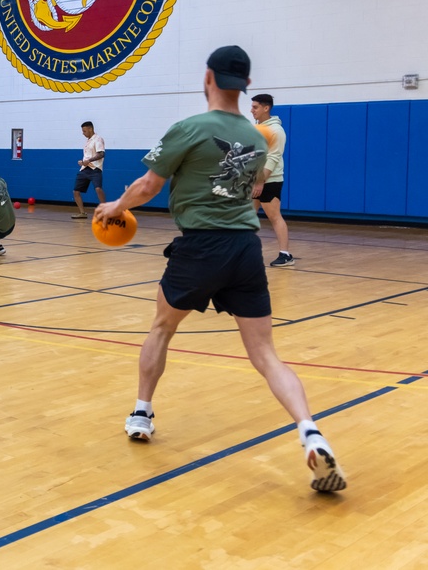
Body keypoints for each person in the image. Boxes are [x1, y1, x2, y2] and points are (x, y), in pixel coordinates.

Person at [92, 46, 345, 492]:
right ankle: (311, 432)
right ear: (245, 85)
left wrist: (115, 204)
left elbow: (149, 185)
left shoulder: (189, 127)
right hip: (246, 248)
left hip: (200, 247)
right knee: (266, 354)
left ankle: (142, 413)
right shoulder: (254, 135)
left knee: (161, 329)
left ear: (208, 77)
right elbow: (257, 187)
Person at [250, 93, 292, 266]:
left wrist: (261, 181)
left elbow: (273, 158)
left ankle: (285, 255)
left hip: (270, 181)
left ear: (266, 108)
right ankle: (243, 253)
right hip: (254, 181)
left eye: (255, 107)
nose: (251, 110)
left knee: (274, 217)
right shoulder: (257, 128)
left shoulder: (276, 130)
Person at [71, 120, 106, 219]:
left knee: (98, 189)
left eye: (84, 131)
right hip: (85, 169)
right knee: (76, 191)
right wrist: (83, 162)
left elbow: (101, 154)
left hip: (95, 169)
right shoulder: (88, 141)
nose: (83, 133)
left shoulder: (98, 139)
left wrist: (89, 160)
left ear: (90, 129)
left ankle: (106, 210)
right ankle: (82, 213)